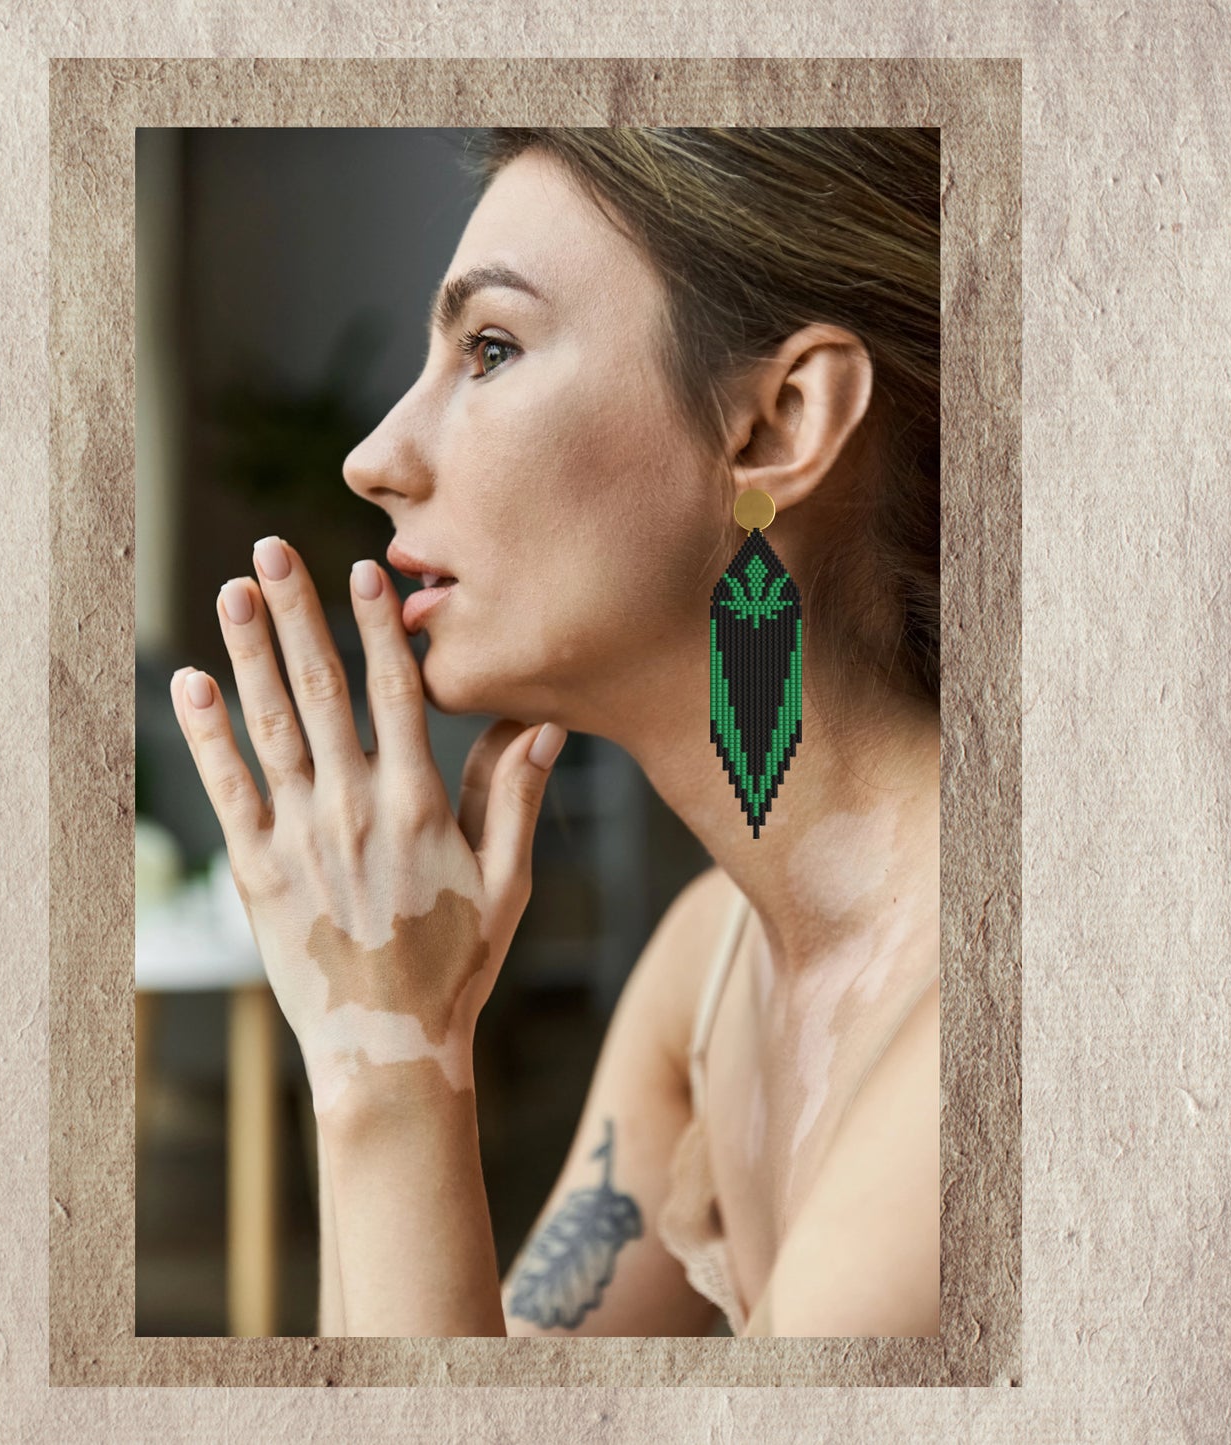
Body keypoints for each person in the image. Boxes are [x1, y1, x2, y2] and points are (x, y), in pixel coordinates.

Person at [170, 127, 941, 1338]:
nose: (371, 459)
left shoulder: (992, 1044)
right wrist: (380, 1039)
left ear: (775, 426)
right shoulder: (707, 968)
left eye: (489, 348)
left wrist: (391, 1071)